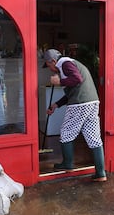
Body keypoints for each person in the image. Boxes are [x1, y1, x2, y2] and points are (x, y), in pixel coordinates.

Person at [42, 48, 107, 182]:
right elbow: (73, 90)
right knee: (93, 137)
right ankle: (100, 172)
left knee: (66, 133)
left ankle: (67, 164)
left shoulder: (65, 63)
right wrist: (56, 105)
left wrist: (59, 82)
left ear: (53, 61)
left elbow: (77, 79)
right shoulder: (69, 64)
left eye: (48, 65)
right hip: (92, 102)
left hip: (80, 104)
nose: (49, 69)